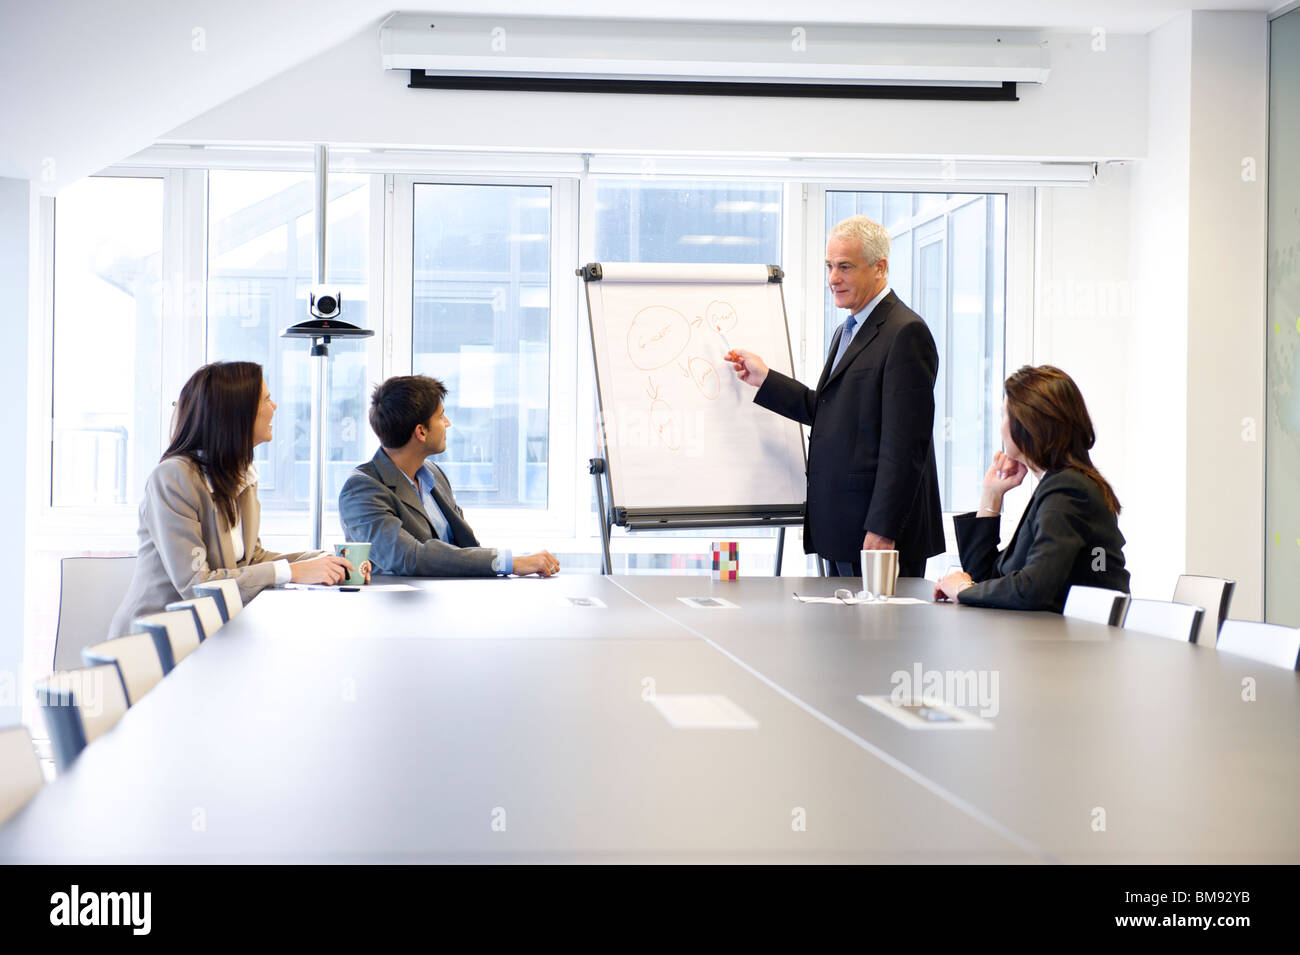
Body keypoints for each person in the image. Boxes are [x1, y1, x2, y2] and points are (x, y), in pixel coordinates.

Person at [727, 215, 944, 577]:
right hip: (842, 528)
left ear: (880, 267)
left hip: (877, 537)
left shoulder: (905, 333)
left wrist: (882, 529)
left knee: (877, 635)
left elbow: (905, 446)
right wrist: (765, 380)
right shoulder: (848, 330)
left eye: (845, 267)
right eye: (829, 266)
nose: (833, 279)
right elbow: (834, 413)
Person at [110, 362, 361, 637]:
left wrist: (322, 559)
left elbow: (250, 560)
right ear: (237, 415)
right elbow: (198, 586)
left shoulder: (239, 476)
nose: (274, 407)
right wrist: (294, 571)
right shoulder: (173, 478)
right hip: (158, 645)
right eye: (266, 399)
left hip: (215, 635)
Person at [934, 365, 1129, 611]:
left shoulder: (1067, 489)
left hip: (1077, 643)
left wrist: (963, 590)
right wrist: (991, 496)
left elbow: (1033, 588)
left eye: (1005, 415)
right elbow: (985, 576)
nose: (1001, 426)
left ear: (1028, 424)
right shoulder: (1059, 484)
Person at [338, 375, 560, 578]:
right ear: (421, 432)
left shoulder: (433, 474)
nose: (448, 423)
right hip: (402, 610)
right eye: (441, 416)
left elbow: (462, 547)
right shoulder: (362, 490)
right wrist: (510, 562)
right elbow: (409, 556)